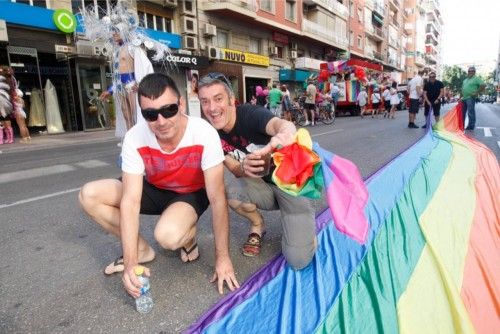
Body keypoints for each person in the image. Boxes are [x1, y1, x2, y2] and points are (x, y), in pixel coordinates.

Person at [79, 73, 239, 298]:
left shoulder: (204, 133)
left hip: (190, 193)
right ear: (143, 113)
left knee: (168, 236)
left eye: (169, 110)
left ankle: (187, 235)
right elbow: (131, 201)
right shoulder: (135, 136)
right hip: (155, 187)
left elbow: (217, 198)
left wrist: (223, 259)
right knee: (89, 195)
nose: (161, 122)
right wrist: (131, 264)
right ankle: (141, 250)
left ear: (181, 104)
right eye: (151, 114)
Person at [198, 72, 317, 270]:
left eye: (218, 99)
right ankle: (257, 225)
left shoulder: (249, 114)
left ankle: (304, 229)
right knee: (228, 189)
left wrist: (284, 134)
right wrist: (243, 166)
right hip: (263, 187)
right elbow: (235, 170)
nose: (212, 108)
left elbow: (281, 124)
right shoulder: (210, 135)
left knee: (298, 260)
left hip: (291, 185)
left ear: (231, 99)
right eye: (205, 101)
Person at [461, 66, 485, 130]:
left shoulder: (476, 78)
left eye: (472, 71)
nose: (470, 72)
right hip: (464, 98)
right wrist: (460, 97)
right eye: (469, 71)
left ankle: (471, 126)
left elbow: (483, 85)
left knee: (470, 112)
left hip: (470, 98)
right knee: (462, 112)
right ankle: (461, 124)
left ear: (474, 72)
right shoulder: (465, 80)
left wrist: (477, 92)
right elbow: (463, 89)